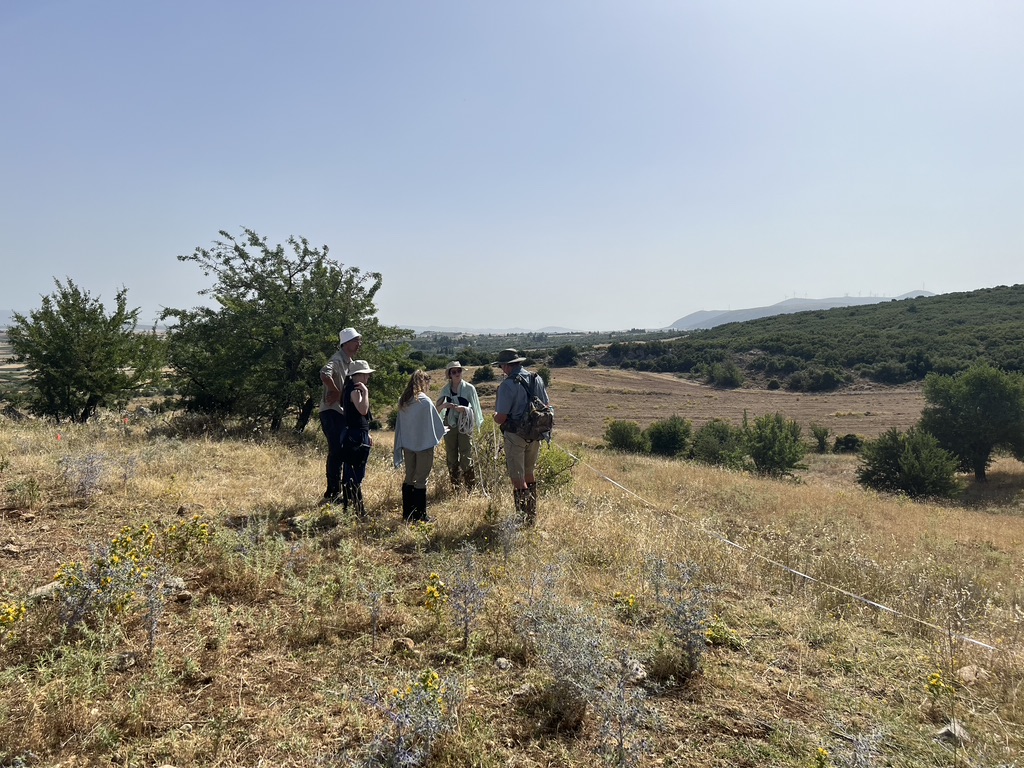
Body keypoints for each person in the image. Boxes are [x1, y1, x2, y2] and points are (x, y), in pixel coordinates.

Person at [492, 349, 550, 525]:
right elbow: (546, 405)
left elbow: (500, 418)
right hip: (535, 434)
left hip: (515, 436)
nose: (502, 369)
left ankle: (523, 519)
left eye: (502, 366)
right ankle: (532, 517)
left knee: (518, 478)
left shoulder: (507, 385)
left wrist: (494, 416)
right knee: (529, 473)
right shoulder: (536, 378)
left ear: (507, 366)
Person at [393, 370, 447, 522]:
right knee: (421, 479)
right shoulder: (424, 401)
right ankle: (421, 515)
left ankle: (408, 513)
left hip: (408, 445)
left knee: (409, 477)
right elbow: (435, 424)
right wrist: (442, 431)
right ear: (424, 383)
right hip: (424, 445)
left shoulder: (404, 400)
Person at [318, 327, 362, 504]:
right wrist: (336, 392)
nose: (359, 344)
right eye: (355, 341)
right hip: (332, 412)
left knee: (341, 451)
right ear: (346, 343)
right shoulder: (337, 360)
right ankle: (332, 492)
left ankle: (338, 491)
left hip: (339, 413)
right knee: (336, 451)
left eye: (359, 341)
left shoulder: (349, 362)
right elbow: (324, 374)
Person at [434, 361, 484, 492]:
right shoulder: (445, 389)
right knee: (451, 454)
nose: (457, 374)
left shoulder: (469, 388)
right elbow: (436, 409)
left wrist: (465, 409)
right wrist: (445, 405)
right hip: (449, 425)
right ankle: (455, 487)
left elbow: (476, 408)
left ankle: (470, 488)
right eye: (453, 372)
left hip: (465, 424)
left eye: (459, 371)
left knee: (466, 454)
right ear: (450, 374)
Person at [340, 359, 374, 518]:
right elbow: (363, 410)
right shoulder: (356, 391)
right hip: (356, 437)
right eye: (366, 375)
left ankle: (348, 508)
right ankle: (359, 511)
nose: (367, 378)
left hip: (353, 434)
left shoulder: (348, 389)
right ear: (358, 375)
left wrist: (367, 433)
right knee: (356, 473)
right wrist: (366, 392)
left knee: (350, 471)